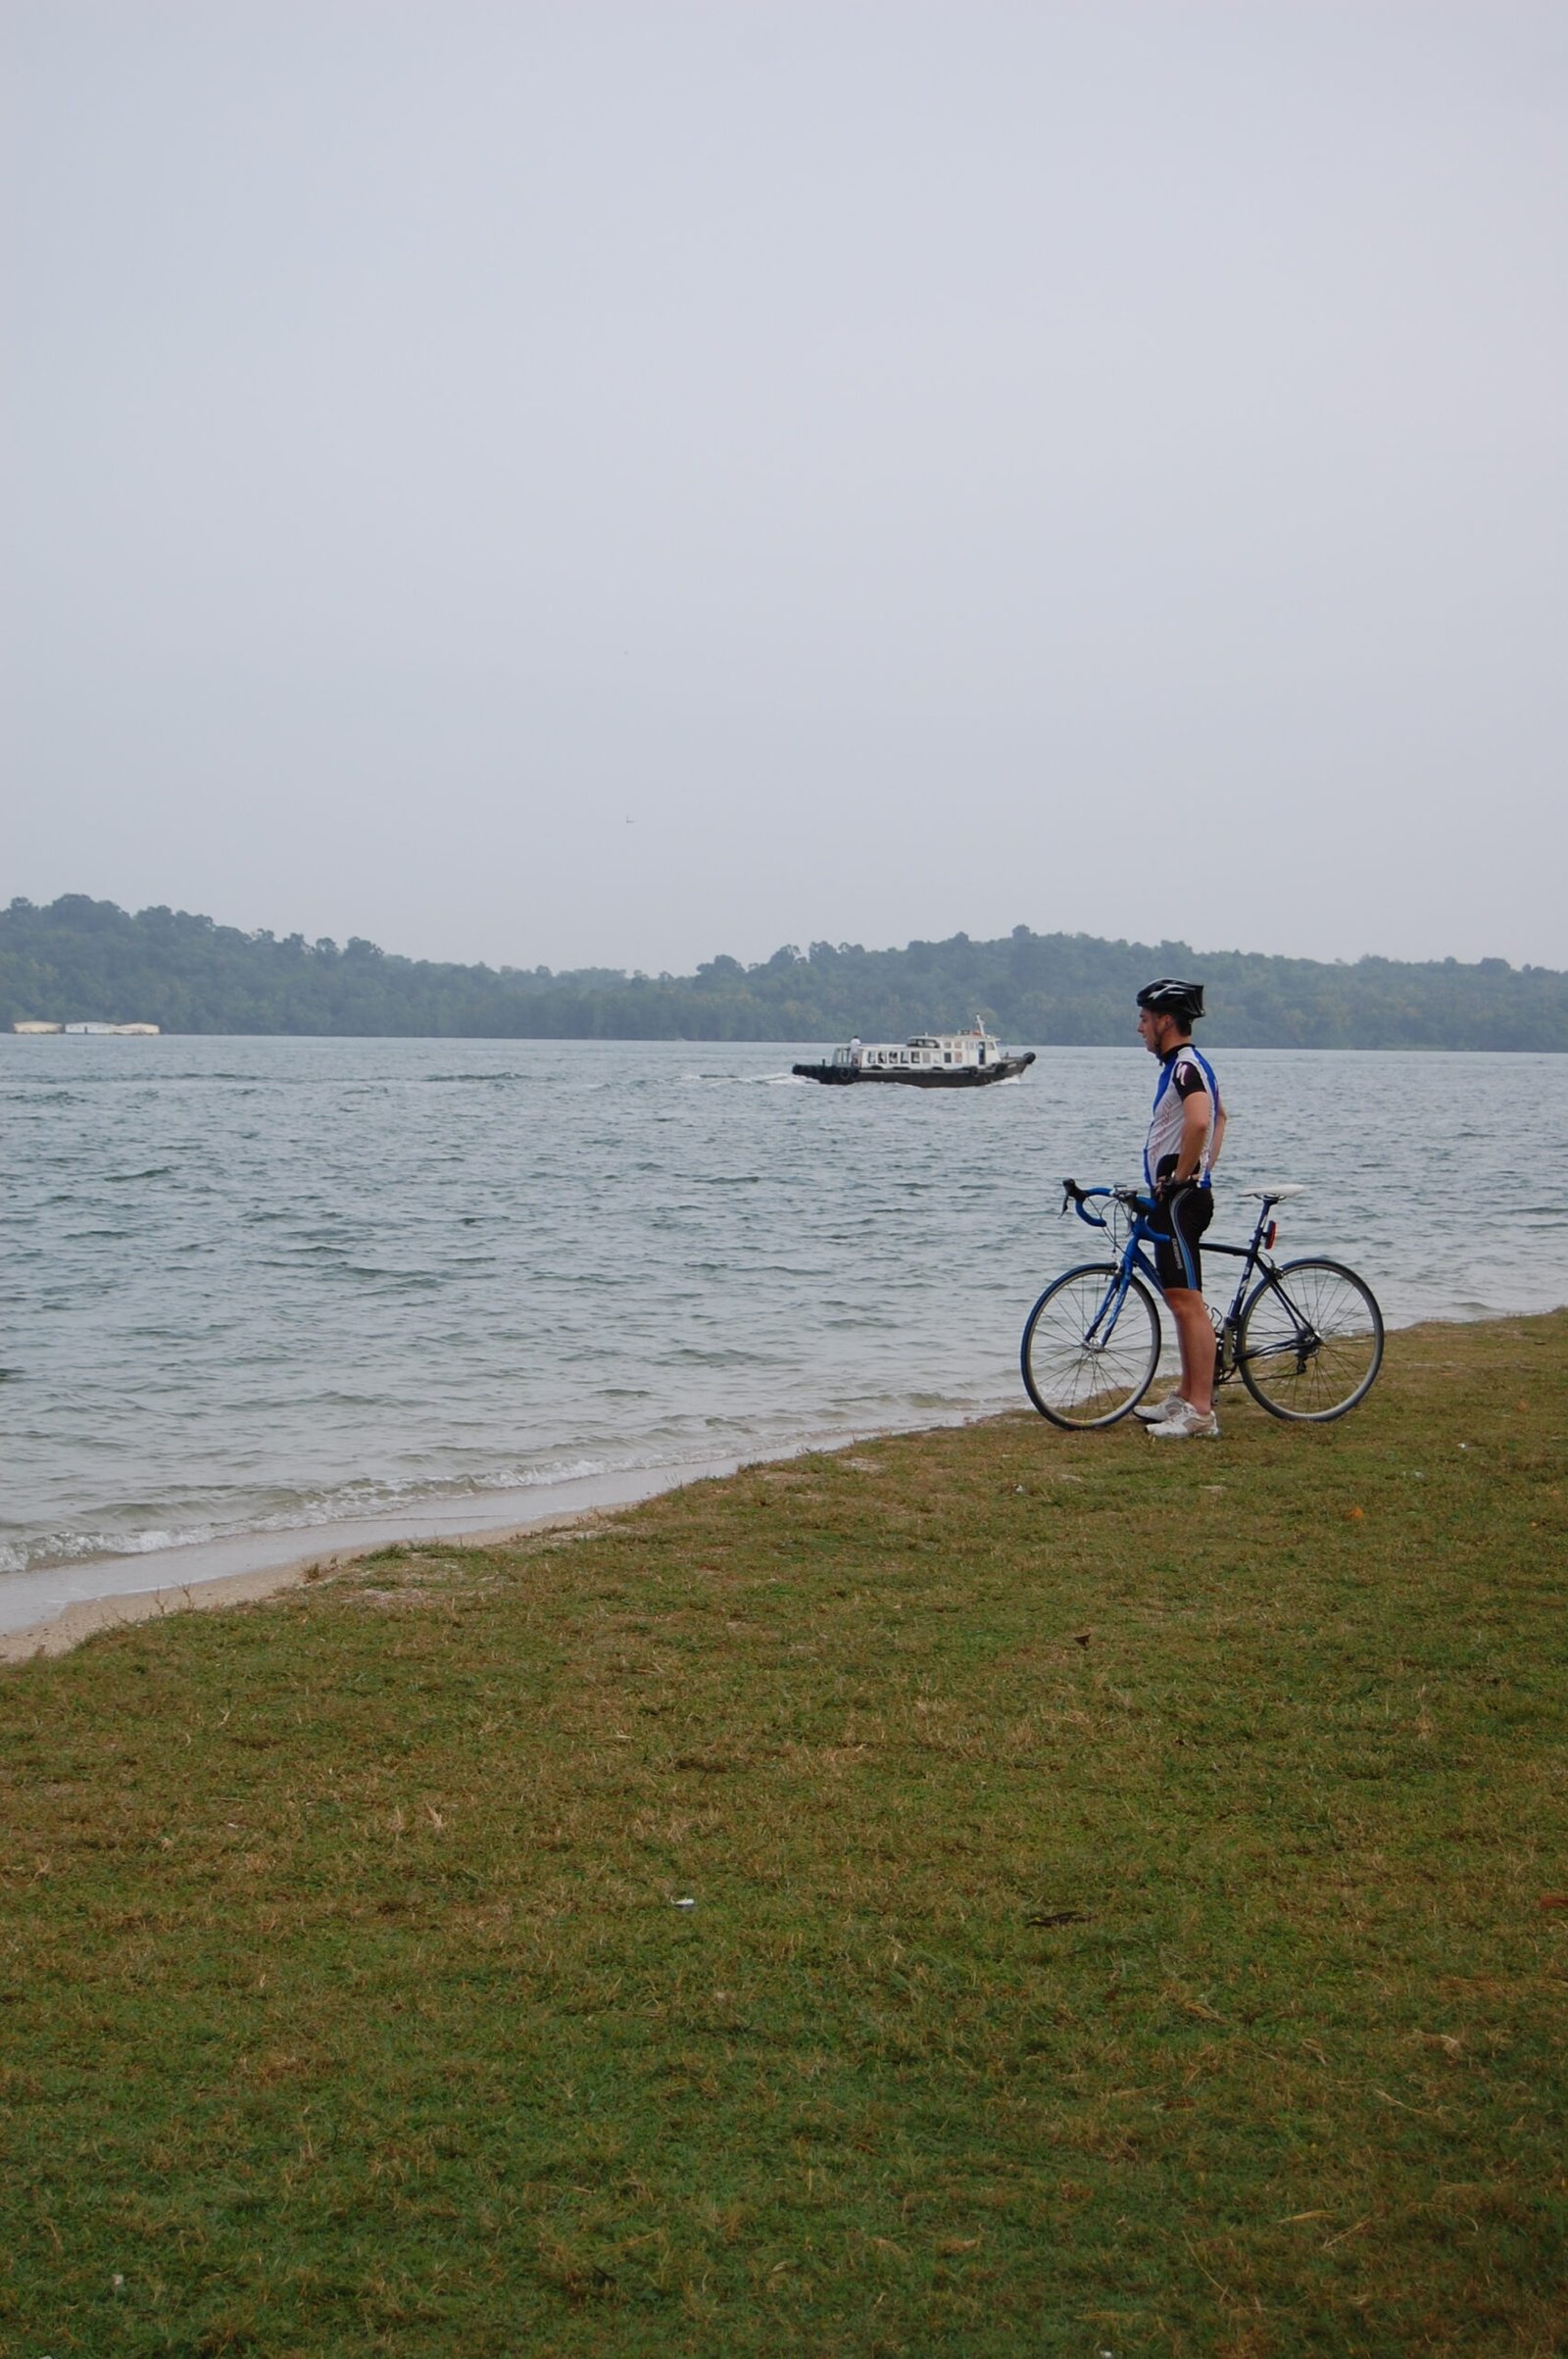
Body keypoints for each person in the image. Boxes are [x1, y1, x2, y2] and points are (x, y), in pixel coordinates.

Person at [1131, 979, 1226, 1440]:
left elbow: (1202, 1118)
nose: (1140, 1028)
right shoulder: (1182, 1067)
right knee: (1179, 1300)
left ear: (1166, 1021)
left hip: (1182, 1201)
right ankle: (1187, 1397)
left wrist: (1188, 1174)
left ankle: (1202, 1413)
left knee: (1188, 1303)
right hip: (1177, 1197)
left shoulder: (1186, 1066)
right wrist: (1204, 1162)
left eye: (1145, 1020)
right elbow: (1220, 1117)